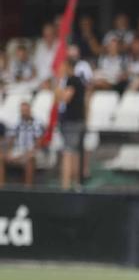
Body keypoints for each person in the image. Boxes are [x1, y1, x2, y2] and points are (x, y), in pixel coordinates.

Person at [55, 58, 87, 190]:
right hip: (79, 120)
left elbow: (65, 98)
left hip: (71, 122)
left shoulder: (71, 80)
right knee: (75, 153)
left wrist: (57, 86)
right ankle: (76, 183)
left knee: (68, 153)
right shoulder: (80, 80)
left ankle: (66, 185)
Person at [2, 101, 44, 187]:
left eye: (25, 110)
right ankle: (1, 187)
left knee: (29, 160)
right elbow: (11, 140)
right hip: (18, 150)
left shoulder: (36, 123)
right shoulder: (16, 123)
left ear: (30, 110)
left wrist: (27, 154)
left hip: (31, 151)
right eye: (22, 110)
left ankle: (27, 188)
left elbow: (38, 143)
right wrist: (8, 152)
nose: (24, 112)